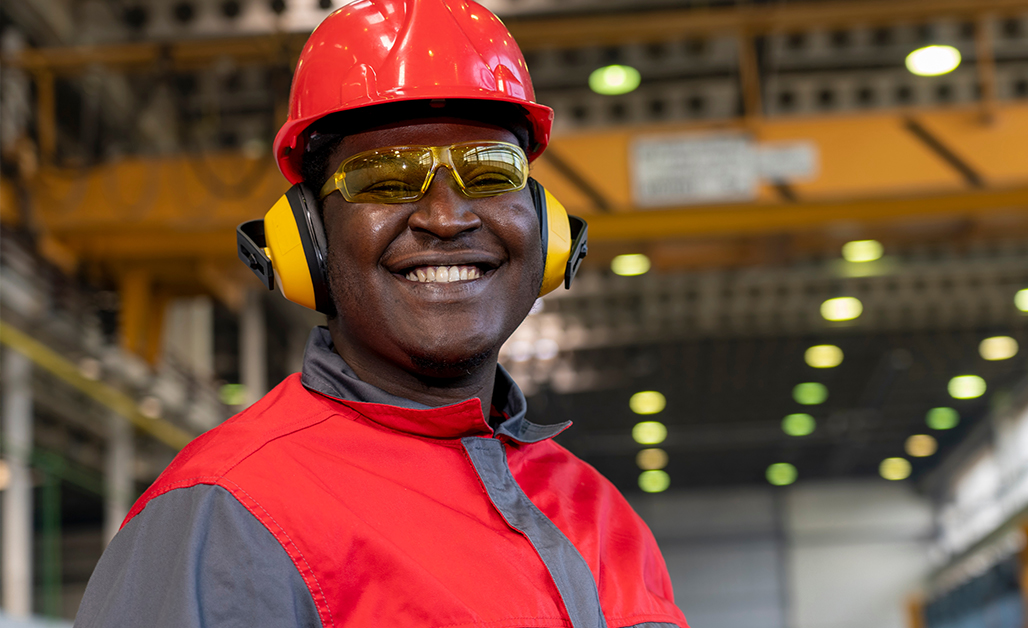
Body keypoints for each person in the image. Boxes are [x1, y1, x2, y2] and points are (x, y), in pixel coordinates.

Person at [74, 1, 689, 627]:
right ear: (307, 239)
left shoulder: (605, 518)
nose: (447, 218)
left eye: (488, 172)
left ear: (547, 227)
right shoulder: (226, 518)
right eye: (384, 179)